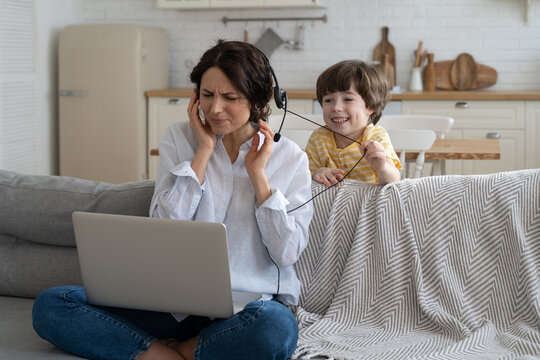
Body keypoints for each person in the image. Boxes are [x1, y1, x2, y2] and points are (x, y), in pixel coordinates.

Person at [32, 40, 313, 360]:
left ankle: (177, 351)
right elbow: (164, 227)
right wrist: (203, 152)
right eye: (207, 95)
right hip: (173, 305)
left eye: (230, 97)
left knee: (277, 329)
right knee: (53, 305)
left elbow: (287, 252)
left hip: (249, 309)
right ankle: (167, 354)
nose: (215, 108)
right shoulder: (180, 138)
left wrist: (259, 178)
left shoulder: (291, 159)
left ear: (260, 98)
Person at [305, 60, 401, 187]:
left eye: (348, 99)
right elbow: (303, 176)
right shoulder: (318, 138)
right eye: (328, 100)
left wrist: (382, 167)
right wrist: (317, 173)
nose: (336, 107)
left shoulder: (376, 137)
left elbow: (394, 180)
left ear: (370, 106)